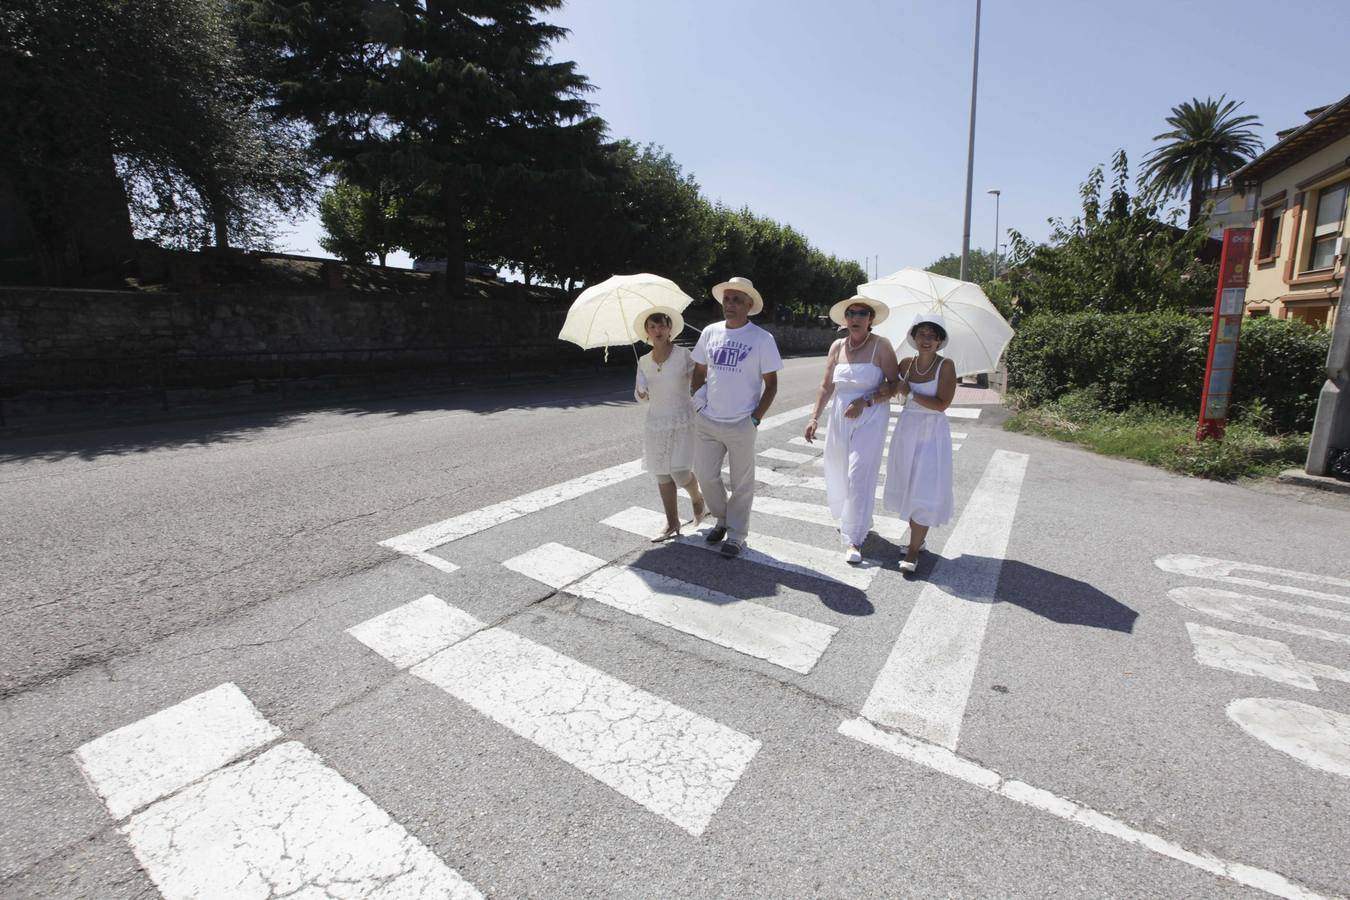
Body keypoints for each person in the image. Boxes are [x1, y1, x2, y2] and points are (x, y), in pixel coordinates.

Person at [691, 276, 783, 558]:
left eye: (736, 299)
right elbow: (698, 371)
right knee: (705, 476)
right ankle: (721, 519)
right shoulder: (710, 332)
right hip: (708, 420)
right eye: (727, 298)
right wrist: (697, 402)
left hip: (742, 422)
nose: (729, 304)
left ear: (749, 305)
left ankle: (737, 535)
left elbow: (772, 384)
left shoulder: (762, 339)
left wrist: (754, 419)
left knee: (741, 484)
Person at [804, 295, 899, 564]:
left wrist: (865, 401)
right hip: (840, 416)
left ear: (870, 320)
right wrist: (814, 418)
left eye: (862, 313)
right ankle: (856, 517)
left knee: (859, 474)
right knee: (839, 470)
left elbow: (895, 385)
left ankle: (854, 538)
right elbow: (826, 386)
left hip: (870, 415)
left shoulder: (881, 346)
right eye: (851, 313)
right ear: (845, 319)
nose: (855, 318)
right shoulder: (836, 346)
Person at [884, 313, 957, 574]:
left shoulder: (945, 366)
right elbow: (890, 386)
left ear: (939, 341)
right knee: (908, 483)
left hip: (932, 431)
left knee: (923, 487)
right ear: (913, 338)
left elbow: (942, 404)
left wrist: (911, 392)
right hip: (907, 430)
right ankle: (919, 539)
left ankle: (913, 550)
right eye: (922, 333)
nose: (926, 339)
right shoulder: (905, 364)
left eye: (932, 335)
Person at [634, 307, 706, 541]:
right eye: (652, 327)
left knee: (680, 472)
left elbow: (699, 381)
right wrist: (642, 390)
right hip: (656, 421)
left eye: (662, 326)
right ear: (646, 332)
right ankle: (672, 522)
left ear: (669, 329)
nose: (657, 330)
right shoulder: (643, 361)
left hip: (682, 419)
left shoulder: (684, 355)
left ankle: (697, 497)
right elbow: (641, 397)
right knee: (662, 475)